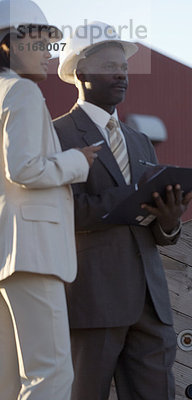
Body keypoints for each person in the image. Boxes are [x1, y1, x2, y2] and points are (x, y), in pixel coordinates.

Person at [53, 21, 192, 400]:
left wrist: (169, 220)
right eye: (110, 67)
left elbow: (157, 231)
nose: (121, 75)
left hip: (150, 304)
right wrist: (128, 197)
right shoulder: (57, 135)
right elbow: (60, 212)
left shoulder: (140, 141)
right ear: (82, 73)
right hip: (92, 301)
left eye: (125, 67)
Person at [0, 1, 100, 398]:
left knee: (7, 381)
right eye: (40, 43)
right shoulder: (21, 91)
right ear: (9, 44)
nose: (49, 54)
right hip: (33, 253)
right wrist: (77, 161)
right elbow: (23, 169)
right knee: (52, 374)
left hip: (8, 256)